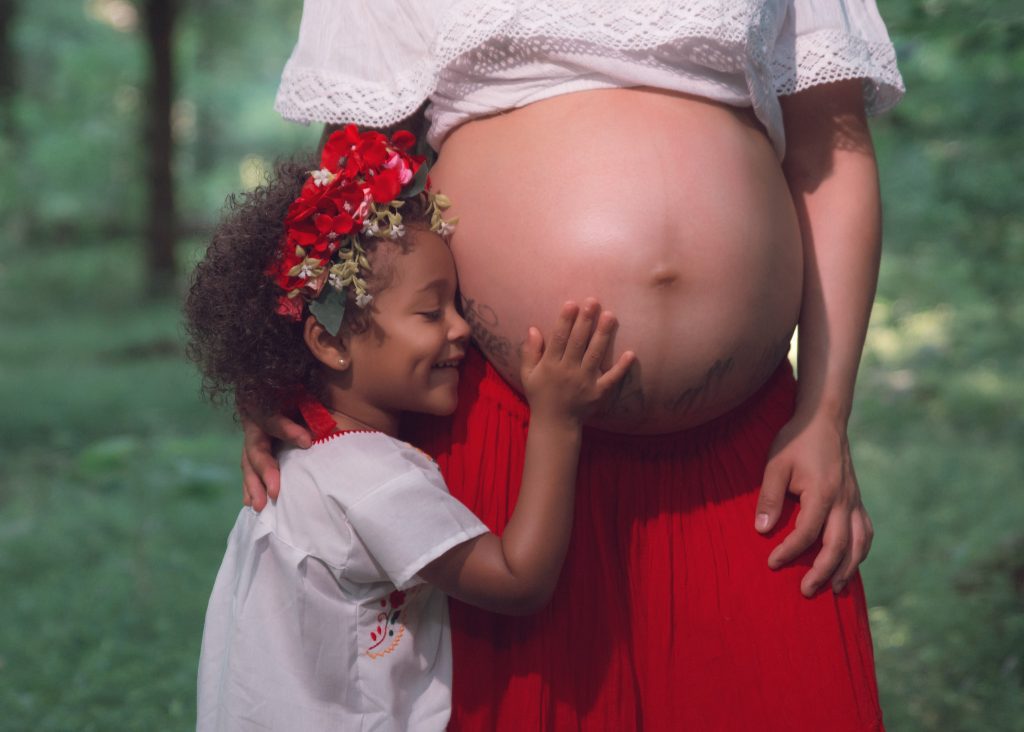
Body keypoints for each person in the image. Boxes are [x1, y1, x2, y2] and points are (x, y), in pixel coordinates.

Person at [246, 1, 906, 729]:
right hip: (503, 442)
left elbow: (831, 155)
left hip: (752, 458)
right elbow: (352, 184)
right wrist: (286, 368)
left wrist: (824, 414)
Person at [186, 126, 634, 730]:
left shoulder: (312, 461)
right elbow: (517, 580)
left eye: (458, 306)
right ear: (330, 341)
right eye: (432, 312)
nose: (461, 330)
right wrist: (557, 419)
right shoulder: (372, 479)